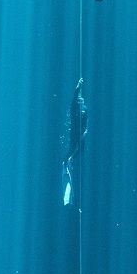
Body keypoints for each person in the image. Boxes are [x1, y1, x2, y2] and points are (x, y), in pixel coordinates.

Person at [61, 78, 88, 206]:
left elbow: (85, 129)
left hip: (79, 144)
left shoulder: (84, 113)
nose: (81, 103)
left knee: (73, 166)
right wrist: (78, 87)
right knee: (68, 164)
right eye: (80, 102)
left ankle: (72, 199)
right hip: (75, 144)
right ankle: (68, 198)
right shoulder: (74, 112)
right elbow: (73, 102)